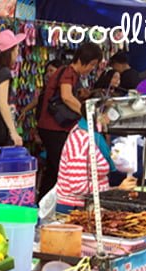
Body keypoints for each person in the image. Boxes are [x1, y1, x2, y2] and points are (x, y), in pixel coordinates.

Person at [37, 43, 103, 201]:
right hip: (53, 127)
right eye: (92, 64)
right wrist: (85, 112)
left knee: (54, 170)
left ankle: (43, 203)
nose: (91, 69)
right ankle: (51, 203)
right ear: (84, 60)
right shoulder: (68, 72)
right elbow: (66, 96)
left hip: (52, 127)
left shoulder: (70, 74)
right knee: (59, 168)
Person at [56, 104, 137, 213]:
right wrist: (116, 190)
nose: (111, 118)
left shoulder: (95, 138)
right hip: (75, 209)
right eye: (110, 113)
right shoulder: (80, 140)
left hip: (92, 204)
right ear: (99, 115)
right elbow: (78, 186)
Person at [17, 59, 63, 125]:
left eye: (51, 71)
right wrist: (25, 110)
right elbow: (39, 99)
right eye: (47, 71)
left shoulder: (61, 88)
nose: (48, 74)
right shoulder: (48, 86)